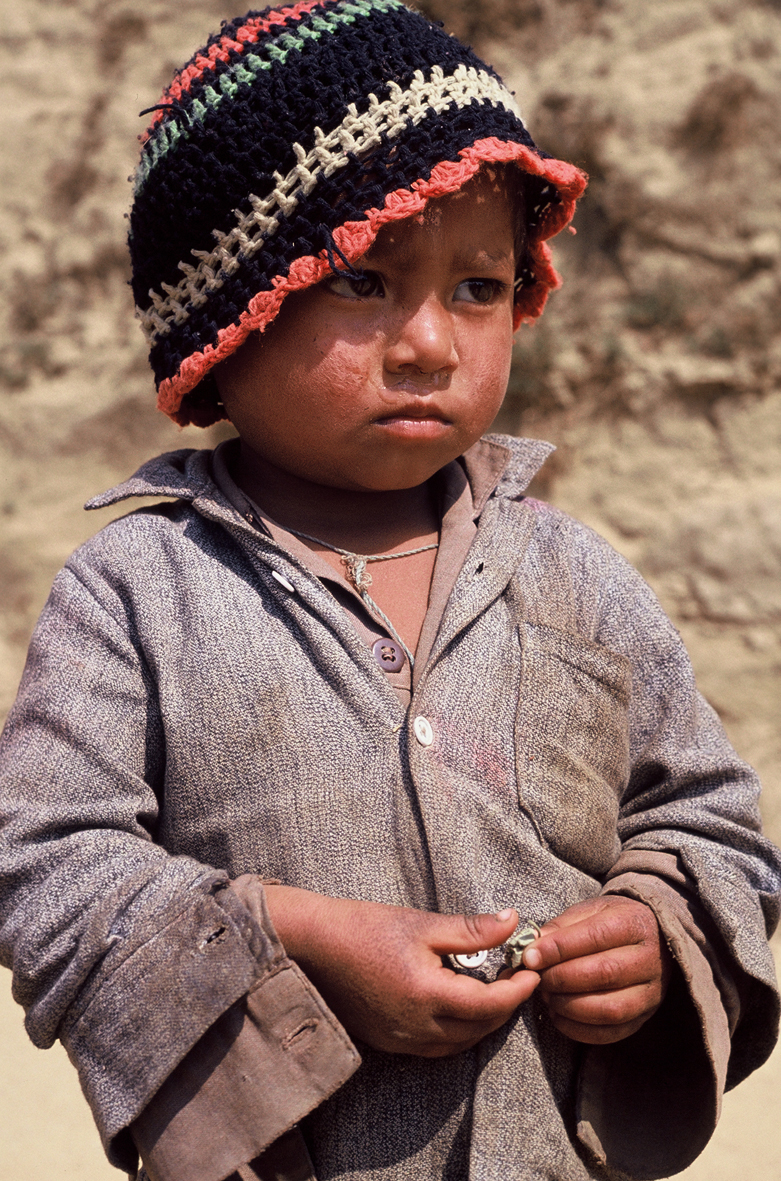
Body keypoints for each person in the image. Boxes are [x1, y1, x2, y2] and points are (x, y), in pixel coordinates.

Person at [0, 2, 779, 1179]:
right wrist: (290, 933)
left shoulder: (578, 575)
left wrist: (655, 932)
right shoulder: (134, 592)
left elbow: (708, 820)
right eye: (361, 279)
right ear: (225, 319)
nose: (429, 342)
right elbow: (48, 865)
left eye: (478, 286)